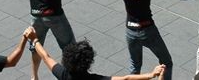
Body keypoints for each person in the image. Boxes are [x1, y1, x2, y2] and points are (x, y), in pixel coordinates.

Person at [32, 38, 166, 80]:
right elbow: (126, 78)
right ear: (88, 62)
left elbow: (45, 56)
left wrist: (34, 40)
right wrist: (151, 75)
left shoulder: (62, 74)